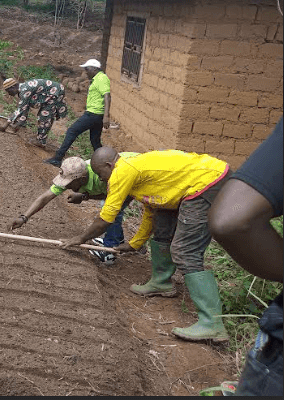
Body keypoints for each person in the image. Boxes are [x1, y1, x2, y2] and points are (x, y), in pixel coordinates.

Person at [61, 147, 233, 343]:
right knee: (162, 226)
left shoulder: (123, 171)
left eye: (101, 174)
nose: (101, 180)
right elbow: (151, 209)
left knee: (185, 251)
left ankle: (213, 323)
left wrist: (81, 238)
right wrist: (135, 244)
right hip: (193, 184)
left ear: (109, 165)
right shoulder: (131, 169)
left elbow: (107, 217)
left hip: (208, 182)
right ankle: (162, 282)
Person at [208, 118, 282, 396]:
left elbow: (232, 219)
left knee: (185, 249)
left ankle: (209, 321)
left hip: (202, 183)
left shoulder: (123, 174)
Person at [9, 156, 138, 264]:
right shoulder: (74, 171)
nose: (66, 186)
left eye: (69, 183)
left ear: (81, 179)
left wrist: (81, 238)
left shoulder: (102, 177)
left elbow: (110, 198)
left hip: (132, 178)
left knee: (111, 211)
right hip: (117, 179)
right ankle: (118, 238)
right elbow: (46, 197)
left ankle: (110, 251)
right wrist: (24, 217)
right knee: (107, 208)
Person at [45, 59, 111, 167]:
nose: (85, 72)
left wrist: (107, 116)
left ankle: (58, 158)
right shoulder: (97, 78)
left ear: (94, 69)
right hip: (95, 114)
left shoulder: (102, 78)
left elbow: (107, 96)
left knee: (72, 131)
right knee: (95, 141)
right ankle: (105, 163)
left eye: (87, 69)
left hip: (93, 114)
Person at [0, 77, 68, 148]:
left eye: (8, 91)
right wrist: (18, 123)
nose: (9, 94)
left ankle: (41, 141)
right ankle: (41, 138)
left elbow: (20, 109)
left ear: (13, 87)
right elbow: (25, 108)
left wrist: (6, 124)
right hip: (54, 91)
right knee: (44, 114)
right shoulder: (23, 89)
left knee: (44, 116)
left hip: (55, 92)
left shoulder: (24, 91)